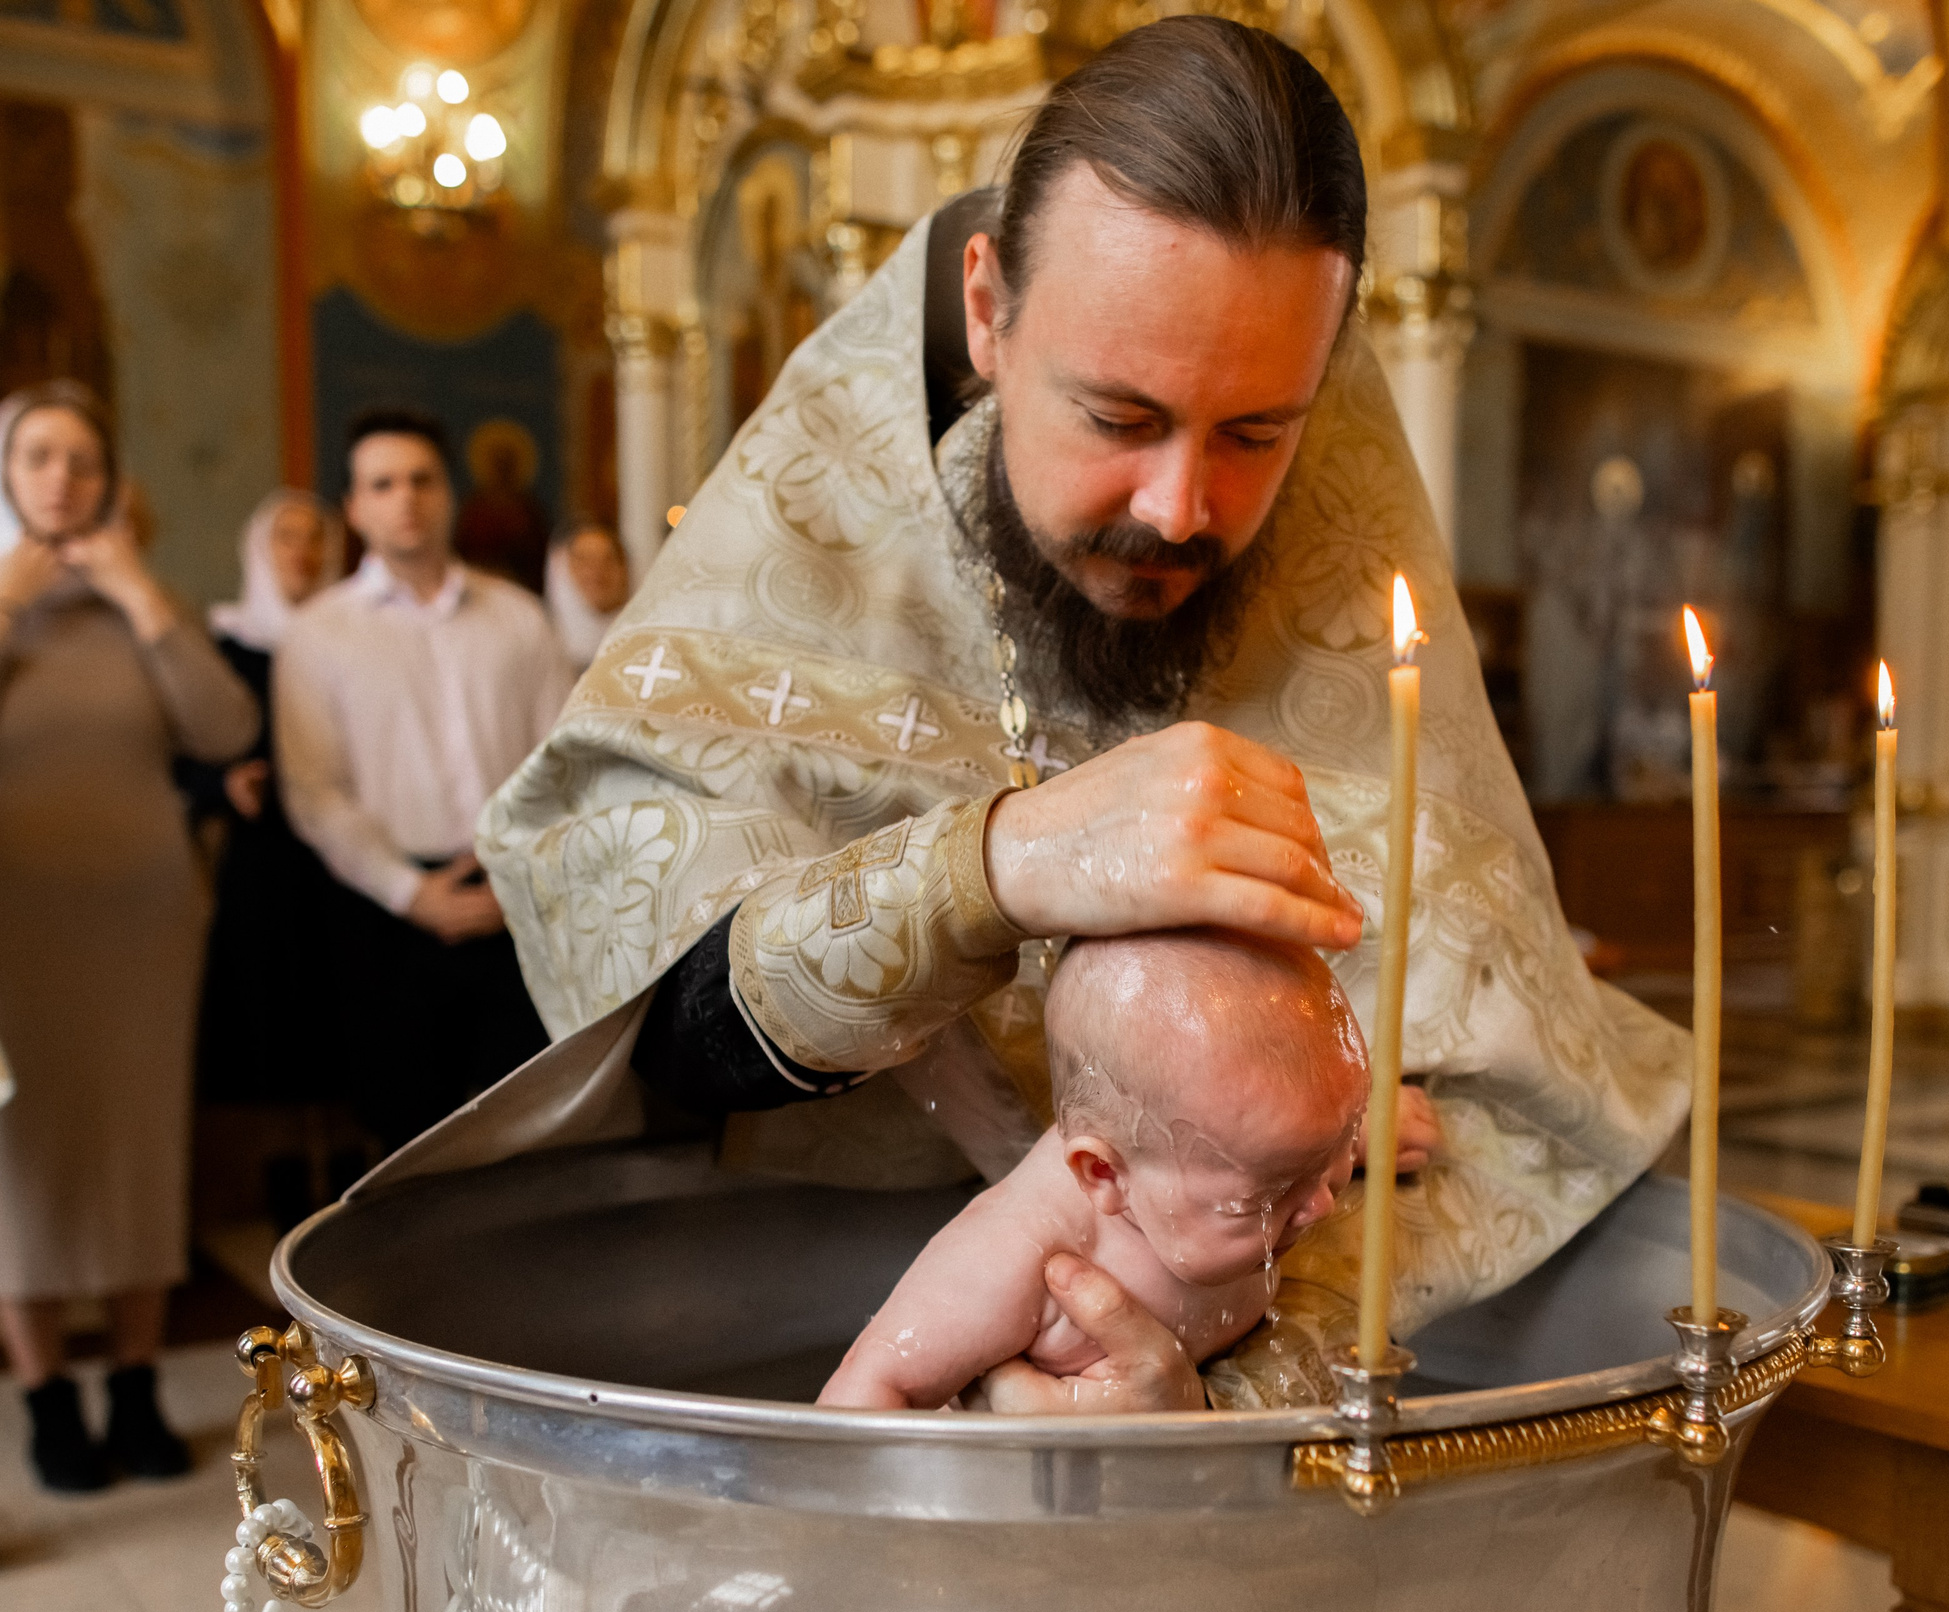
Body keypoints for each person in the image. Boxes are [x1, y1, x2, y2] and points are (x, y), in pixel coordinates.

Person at [480, 18, 1685, 1414]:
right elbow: (633, 997)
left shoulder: (1350, 593)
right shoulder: (821, 556)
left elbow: (1512, 1115)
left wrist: (1235, 1375)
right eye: (1118, 417)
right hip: (799, 1313)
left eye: (1255, 434)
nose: (1179, 509)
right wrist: (994, 866)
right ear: (988, 312)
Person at [0, 380, 261, 1490]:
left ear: (109, 481)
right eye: (38, 456)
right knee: (23, 1166)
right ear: (7, 474)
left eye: (82, 460)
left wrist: (140, 594)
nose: (61, 477)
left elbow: (226, 726)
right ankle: (48, 1397)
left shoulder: (144, 600)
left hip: (143, 922)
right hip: (15, 927)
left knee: (139, 1149)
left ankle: (138, 1383)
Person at [820, 930, 1366, 1410]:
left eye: (1332, 1152)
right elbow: (866, 1392)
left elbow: (1291, 1140)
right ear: (1105, 1174)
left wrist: (1352, 1138)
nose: (1322, 1204)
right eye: (1265, 1194)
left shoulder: (1244, 1149)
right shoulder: (1014, 1257)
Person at [274, 409, 574, 1152]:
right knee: (406, 1139)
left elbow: (564, 765)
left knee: (526, 1135)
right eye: (382, 484)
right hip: (388, 910)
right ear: (354, 508)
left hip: (516, 900)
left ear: (450, 493)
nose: (405, 497)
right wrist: (411, 892)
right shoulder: (318, 632)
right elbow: (316, 792)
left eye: (422, 480)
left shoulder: (519, 618)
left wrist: (519, 883)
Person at [185, 490, 349, 1227]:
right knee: (275, 1023)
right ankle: (286, 1194)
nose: (302, 553)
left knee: (341, 1018)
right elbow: (181, 752)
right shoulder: (228, 643)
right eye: (286, 537)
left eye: (315, 538)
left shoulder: (355, 635)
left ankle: (349, 1182)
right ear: (259, 549)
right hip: (264, 862)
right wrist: (223, 784)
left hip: (344, 859)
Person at [543, 519, 630, 667]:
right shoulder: (543, 639)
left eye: (607, 559)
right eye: (584, 560)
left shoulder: (644, 638)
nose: (596, 571)